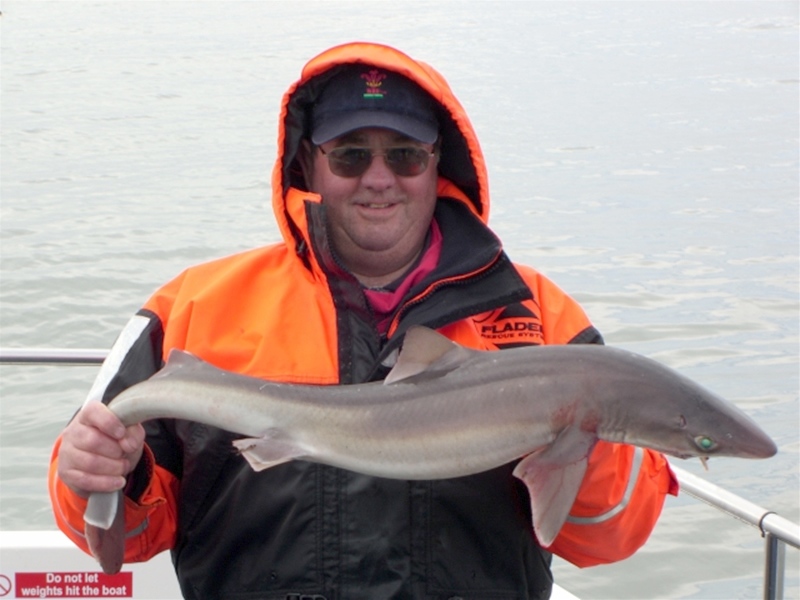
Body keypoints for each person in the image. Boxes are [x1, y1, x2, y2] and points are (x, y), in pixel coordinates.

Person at [49, 42, 678, 599]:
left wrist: (581, 433)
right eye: (350, 157)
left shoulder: (537, 315)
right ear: (308, 163)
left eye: (405, 156)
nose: (380, 179)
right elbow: (125, 538)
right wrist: (98, 475)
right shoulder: (193, 307)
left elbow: (609, 538)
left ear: (437, 164)